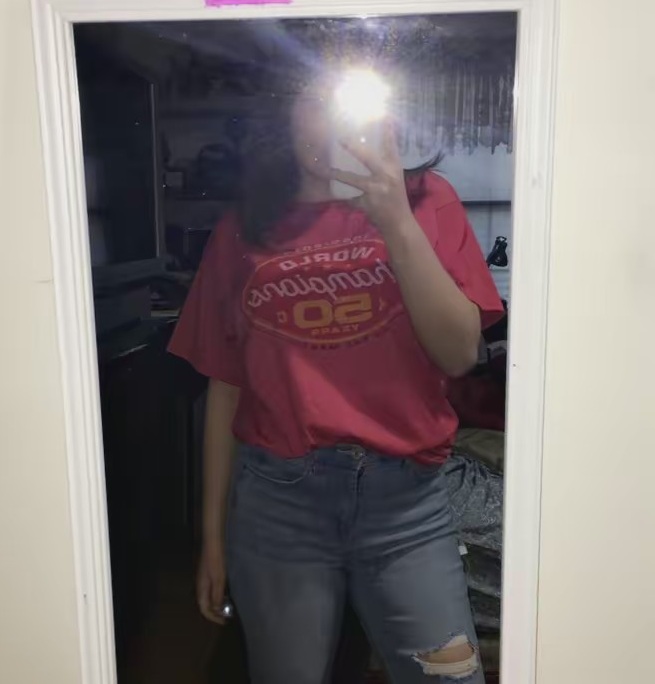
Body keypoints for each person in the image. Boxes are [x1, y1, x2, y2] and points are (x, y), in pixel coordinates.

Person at [169, 77, 504, 684]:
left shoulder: (428, 200)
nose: (328, 122)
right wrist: (211, 537)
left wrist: (395, 220)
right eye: (313, 101)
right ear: (286, 116)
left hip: (408, 505)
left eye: (344, 103)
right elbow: (225, 388)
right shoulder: (245, 227)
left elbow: (459, 353)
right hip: (279, 502)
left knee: (450, 676)